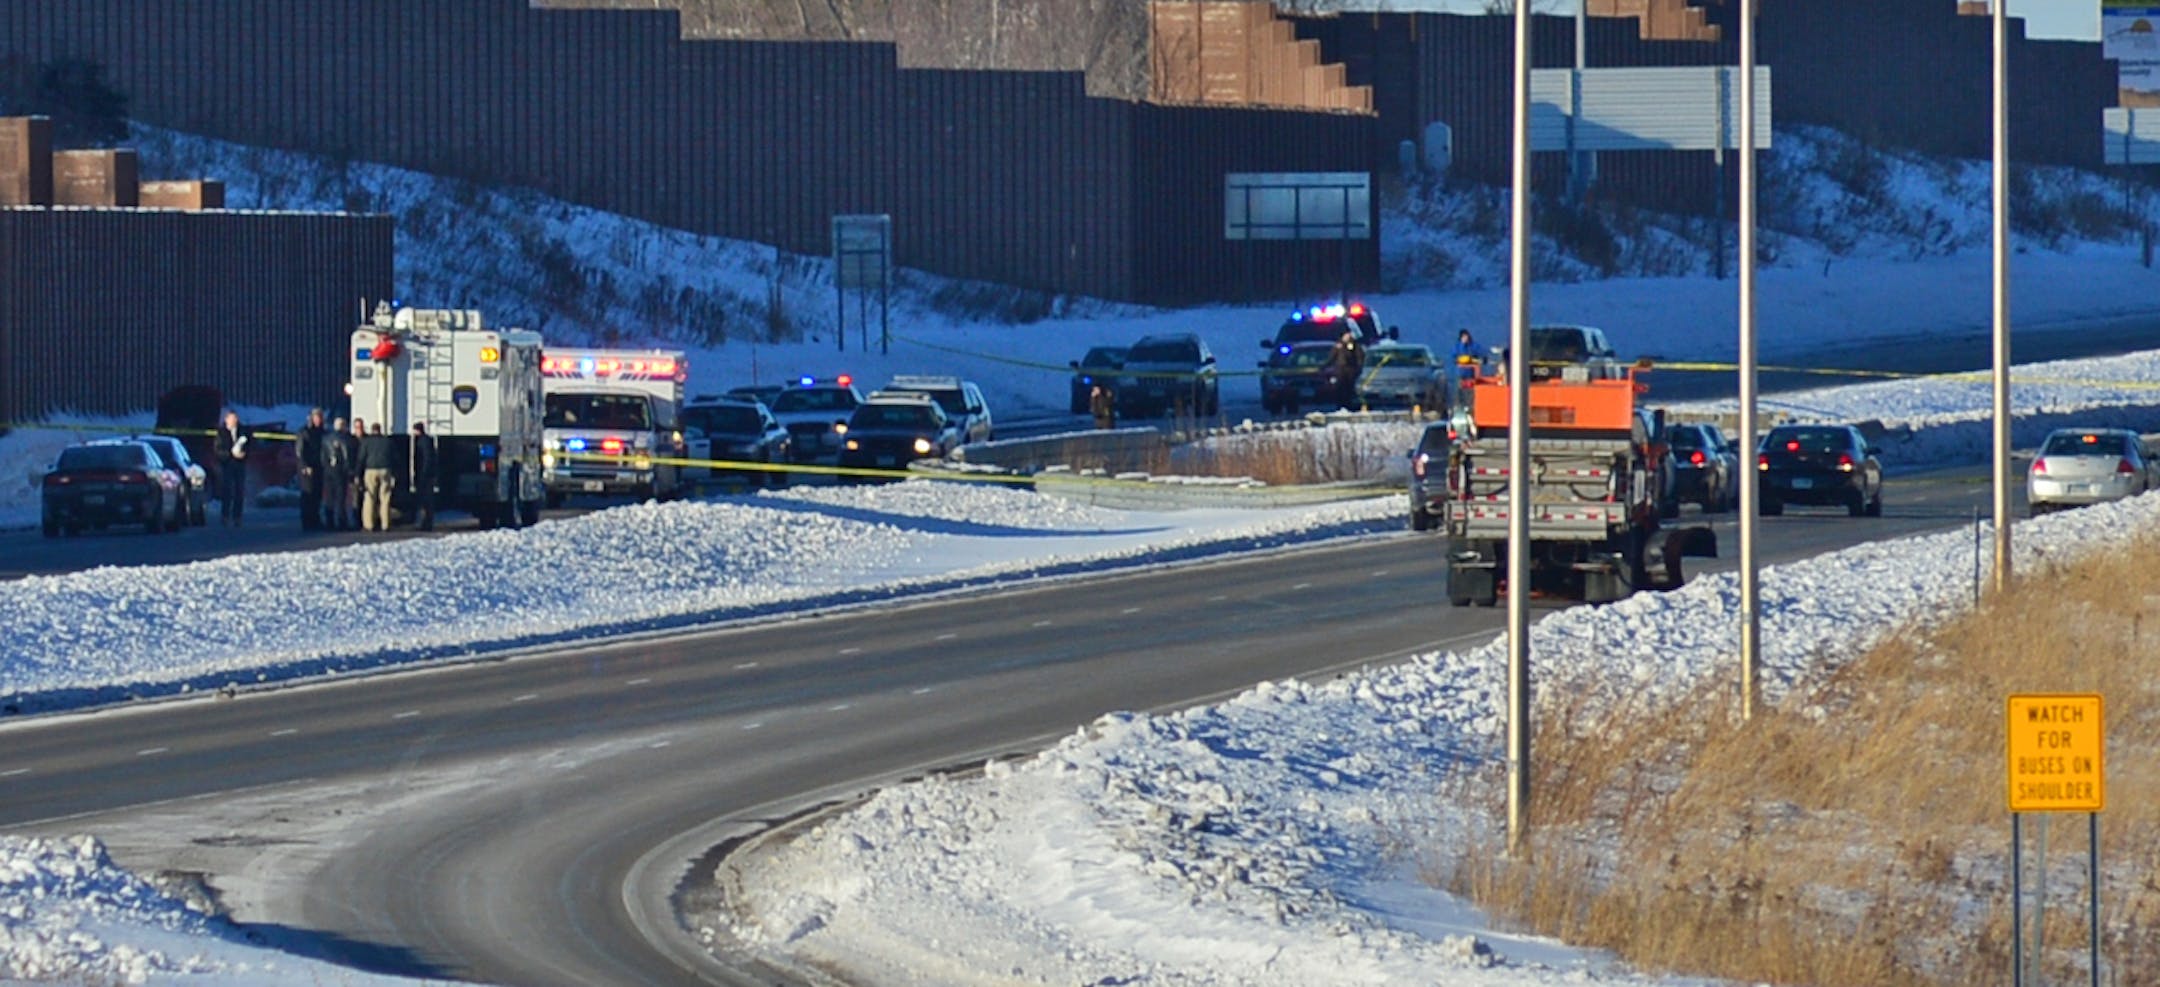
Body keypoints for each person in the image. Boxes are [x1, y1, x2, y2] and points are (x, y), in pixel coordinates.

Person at [358, 421, 395, 532]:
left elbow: (361, 458)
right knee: (385, 497)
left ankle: (369, 524)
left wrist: (357, 473)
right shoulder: (388, 441)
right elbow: (395, 457)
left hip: (370, 469)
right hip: (385, 469)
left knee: (370, 496)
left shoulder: (366, 442)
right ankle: (386, 524)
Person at [295, 407, 326, 531]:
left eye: (320, 417)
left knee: (317, 494)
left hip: (319, 466)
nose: (318, 420)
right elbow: (299, 451)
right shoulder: (304, 432)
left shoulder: (323, 432)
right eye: (316, 417)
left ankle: (315, 519)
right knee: (307, 494)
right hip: (307, 468)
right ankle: (306, 521)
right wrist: (304, 465)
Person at [215, 410, 248, 526]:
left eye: (235, 418)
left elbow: (250, 445)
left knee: (239, 491)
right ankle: (225, 516)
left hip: (240, 465)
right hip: (227, 465)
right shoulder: (221, 433)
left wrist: (244, 454)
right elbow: (218, 450)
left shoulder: (243, 431)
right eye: (231, 419)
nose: (234, 421)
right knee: (227, 491)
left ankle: (237, 517)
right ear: (226, 420)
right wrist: (230, 454)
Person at [322, 416, 354, 530]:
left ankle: (329, 522)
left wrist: (326, 467)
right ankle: (341, 522)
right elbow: (346, 457)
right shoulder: (345, 439)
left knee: (329, 497)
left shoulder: (326, 439)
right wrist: (348, 470)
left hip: (328, 471)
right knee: (341, 498)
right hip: (340, 472)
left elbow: (323, 457)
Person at [408, 421, 439, 532]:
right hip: (425, 474)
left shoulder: (423, 442)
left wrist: (423, 473)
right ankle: (425, 522)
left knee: (426, 500)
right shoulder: (425, 440)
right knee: (426, 500)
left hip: (424, 475)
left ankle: (426, 523)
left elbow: (426, 458)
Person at [1327, 330, 1362, 411]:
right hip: (1340, 370)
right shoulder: (1338, 345)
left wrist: (1358, 368)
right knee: (1340, 388)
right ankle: (1340, 405)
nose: (1347, 337)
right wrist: (1325, 366)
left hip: (1350, 370)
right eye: (1346, 335)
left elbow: (1358, 357)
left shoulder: (1354, 345)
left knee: (1349, 388)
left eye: (1348, 335)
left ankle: (1348, 404)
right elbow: (1332, 357)